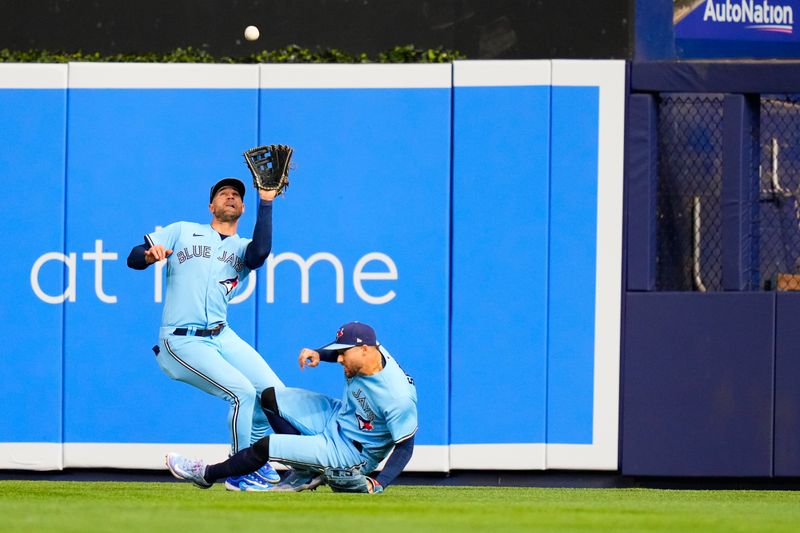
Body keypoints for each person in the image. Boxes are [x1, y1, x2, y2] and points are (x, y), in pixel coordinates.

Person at [127, 177, 284, 491]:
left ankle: (255, 461)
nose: (230, 196)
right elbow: (133, 256)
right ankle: (242, 469)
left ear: (242, 208)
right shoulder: (183, 230)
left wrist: (266, 200)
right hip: (181, 339)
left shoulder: (242, 248)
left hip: (221, 335)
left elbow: (260, 253)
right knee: (240, 392)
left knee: (273, 394)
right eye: (223, 193)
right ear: (211, 205)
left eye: (236, 195)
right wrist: (148, 256)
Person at [166, 321, 418, 493]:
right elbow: (341, 351)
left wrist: (379, 482)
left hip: (350, 452)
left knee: (265, 446)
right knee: (270, 397)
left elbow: (405, 446)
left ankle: (206, 474)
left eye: (343, 353)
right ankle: (305, 471)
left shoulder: (397, 396)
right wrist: (320, 353)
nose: (339, 357)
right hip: (337, 416)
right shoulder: (370, 351)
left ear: (365, 350)